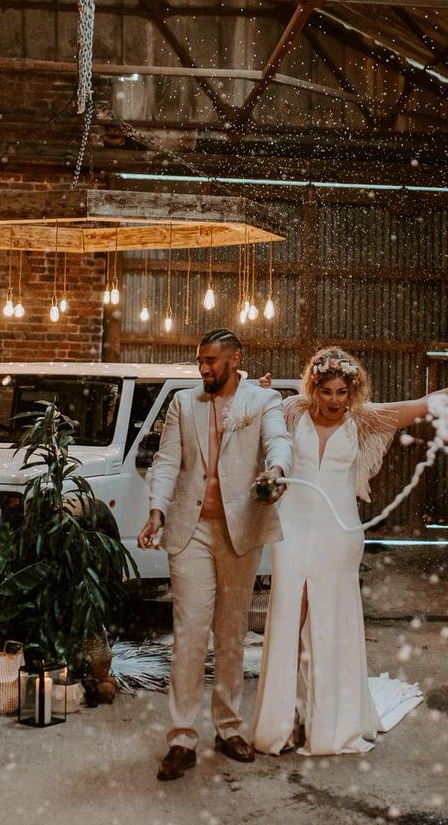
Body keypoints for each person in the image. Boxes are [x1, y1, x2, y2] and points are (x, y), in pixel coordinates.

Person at [251, 347, 448, 757]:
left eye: (341, 392)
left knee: (330, 623)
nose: (334, 401)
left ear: (352, 392)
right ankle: (285, 719)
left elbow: (423, 405)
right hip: (291, 529)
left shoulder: (364, 419)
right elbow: (256, 419)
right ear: (313, 388)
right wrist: (257, 392)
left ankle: (330, 722)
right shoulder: (292, 411)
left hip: (338, 533)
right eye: (326, 391)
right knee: (288, 617)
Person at [138, 328, 293, 781]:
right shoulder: (183, 403)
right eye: (200, 361)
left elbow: (279, 442)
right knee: (189, 633)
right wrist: (156, 510)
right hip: (191, 531)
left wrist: (276, 472)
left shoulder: (263, 400)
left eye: (211, 360)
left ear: (235, 359)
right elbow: (167, 461)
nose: (203, 368)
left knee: (231, 633)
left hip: (239, 529)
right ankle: (182, 738)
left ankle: (228, 727)